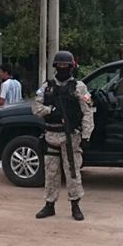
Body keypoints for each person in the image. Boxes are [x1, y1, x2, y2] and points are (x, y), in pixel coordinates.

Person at [32, 50, 94, 221]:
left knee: (72, 172)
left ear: (72, 67)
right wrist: (51, 110)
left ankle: (75, 205)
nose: (62, 68)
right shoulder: (47, 87)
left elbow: (87, 112)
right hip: (51, 135)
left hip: (70, 137)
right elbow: (36, 108)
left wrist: (87, 136)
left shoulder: (79, 87)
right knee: (51, 173)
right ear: (55, 67)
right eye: (59, 65)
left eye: (65, 66)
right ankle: (49, 205)